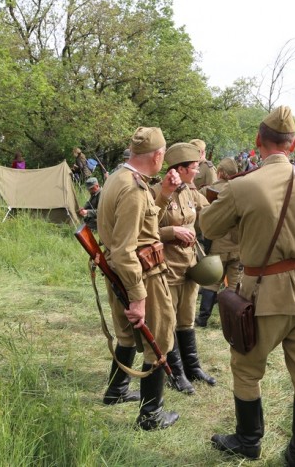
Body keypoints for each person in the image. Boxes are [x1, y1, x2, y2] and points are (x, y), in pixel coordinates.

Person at [200, 106, 295, 465]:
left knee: (245, 367)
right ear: (294, 144)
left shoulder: (242, 186)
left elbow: (208, 228)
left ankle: (248, 440)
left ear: (257, 143)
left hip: (262, 295)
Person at [96, 127, 183, 430]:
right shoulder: (133, 188)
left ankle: (116, 390)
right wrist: (139, 296)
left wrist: (164, 195)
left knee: (126, 336)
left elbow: (143, 225)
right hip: (141, 274)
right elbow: (125, 249)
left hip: (128, 271)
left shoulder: (121, 178)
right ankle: (151, 415)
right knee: (158, 337)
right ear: (158, 155)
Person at [150, 142, 216, 395]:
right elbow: (145, 229)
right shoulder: (158, 191)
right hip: (167, 268)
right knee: (168, 322)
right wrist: (171, 231)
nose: (197, 172)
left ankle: (193, 367)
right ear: (180, 168)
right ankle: (175, 373)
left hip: (190, 266)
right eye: (193, 168)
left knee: (187, 319)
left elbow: (211, 210)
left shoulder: (190, 191)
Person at [195, 157, 241, 328]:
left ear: (220, 172)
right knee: (234, 283)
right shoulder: (240, 191)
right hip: (237, 245)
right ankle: (231, 320)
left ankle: (203, 318)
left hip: (218, 244)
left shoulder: (209, 190)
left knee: (212, 282)